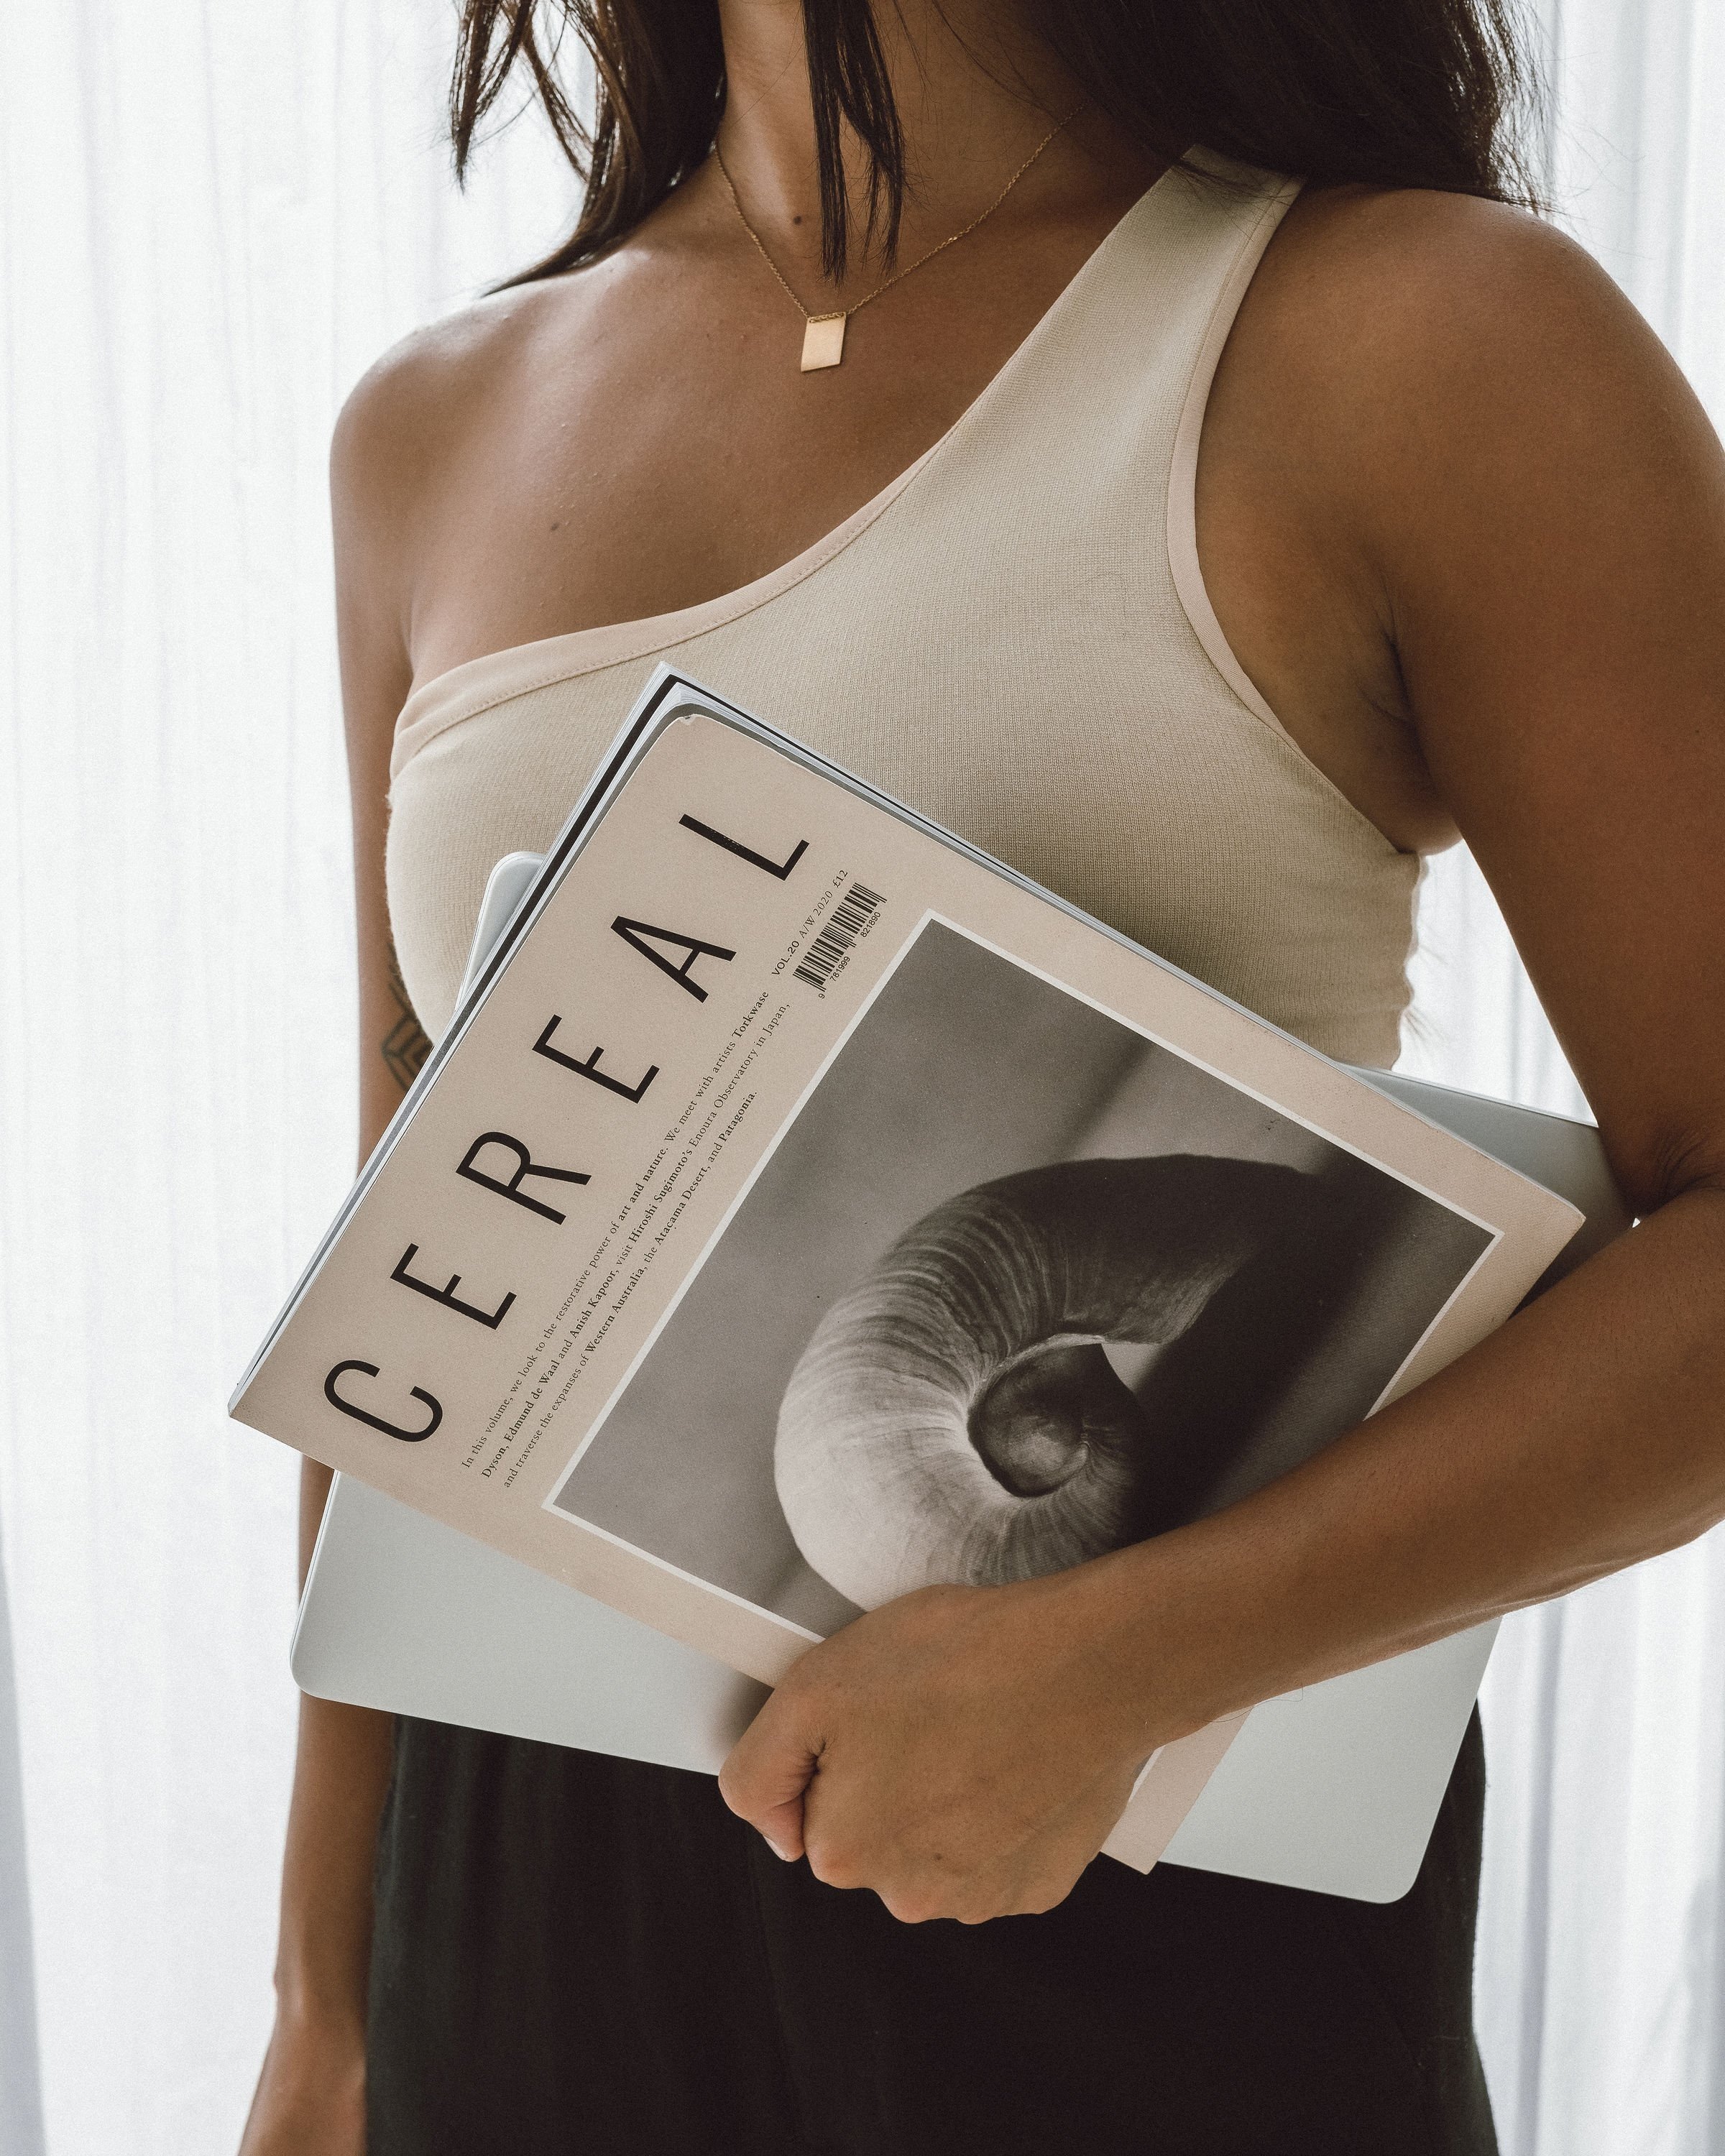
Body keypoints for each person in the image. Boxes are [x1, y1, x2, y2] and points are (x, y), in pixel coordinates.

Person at [239, 2, 1725, 2150]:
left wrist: (1133, 1659)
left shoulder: (1419, 335)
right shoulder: (433, 425)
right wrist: (323, 2003)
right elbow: (404, 1294)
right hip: (519, 1919)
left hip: (1150, 1867)